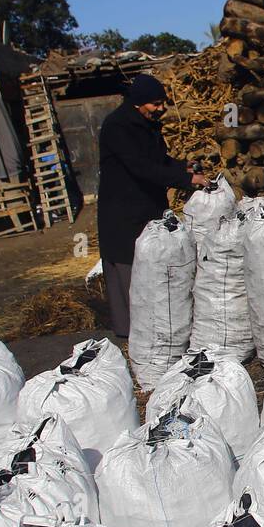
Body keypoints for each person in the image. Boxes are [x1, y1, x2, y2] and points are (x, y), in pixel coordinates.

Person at [98, 73, 206, 339]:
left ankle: (157, 326)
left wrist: (184, 167)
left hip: (147, 206)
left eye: (162, 103)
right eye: (155, 104)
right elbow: (142, 167)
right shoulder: (117, 127)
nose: (161, 109)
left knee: (153, 265)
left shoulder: (146, 125)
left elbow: (159, 160)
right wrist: (185, 180)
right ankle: (133, 332)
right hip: (124, 210)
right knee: (130, 268)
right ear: (138, 102)